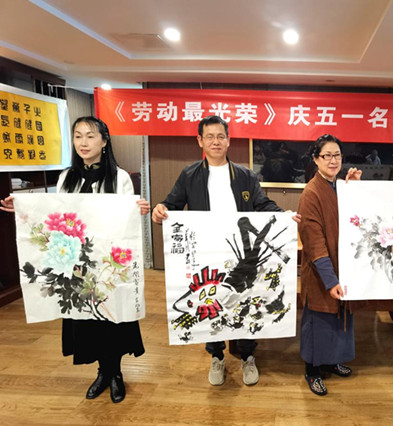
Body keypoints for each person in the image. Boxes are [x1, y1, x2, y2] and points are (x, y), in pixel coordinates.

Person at [1, 116, 150, 404]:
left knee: (112, 317)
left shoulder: (119, 177)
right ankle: (102, 372)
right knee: (86, 319)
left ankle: (115, 373)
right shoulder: (66, 177)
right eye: (78, 136)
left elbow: (125, 219)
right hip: (76, 262)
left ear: (104, 142)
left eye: (91, 136)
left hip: (108, 263)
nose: (83, 142)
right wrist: (21, 207)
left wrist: (137, 210)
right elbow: (55, 215)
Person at [151, 115, 298, 387]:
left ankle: (248, 356)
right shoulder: (189, 174)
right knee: (211, 302)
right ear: (200, 141)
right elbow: (171, 204)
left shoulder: (244, 175)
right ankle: (216, 356)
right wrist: (160, 210)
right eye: (210, 137)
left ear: (229, 141)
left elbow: (262, 205)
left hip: (239, 253)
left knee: (244, 300)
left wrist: (284, 215)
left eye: (221, 136)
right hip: (207, 253)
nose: (216, 141)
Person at [297, 134, 361, 396]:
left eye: (337, 155)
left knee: (339, 319)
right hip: (321, 271)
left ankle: (332, 360)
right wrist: (330, 279)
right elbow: (314, 243)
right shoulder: (311, 193)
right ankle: (312, 370)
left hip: (344, 266)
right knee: (319, 321)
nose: (333, 161)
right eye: (327, 156)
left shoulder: (340, 186)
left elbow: (358, 218)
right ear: (316, 159)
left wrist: (355, 189)